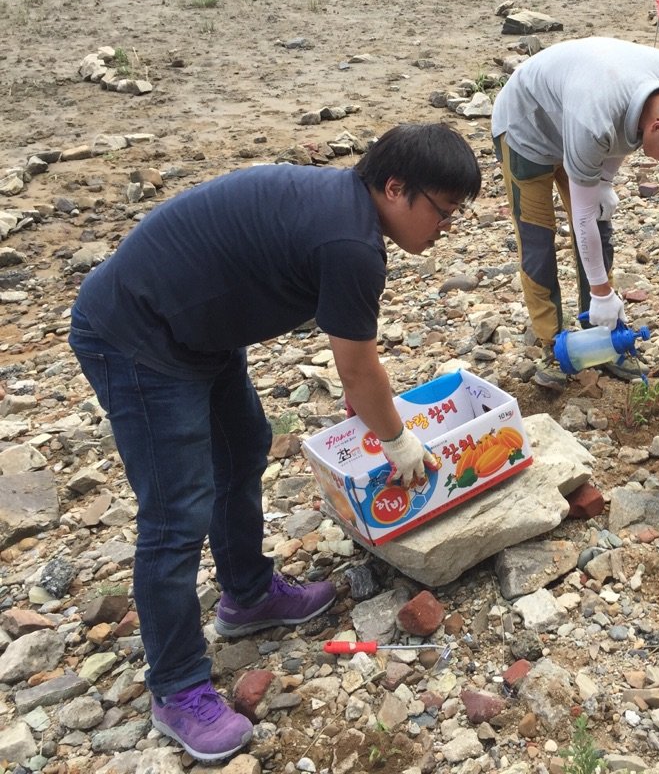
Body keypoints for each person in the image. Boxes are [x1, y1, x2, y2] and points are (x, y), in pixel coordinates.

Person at [68, 123, 481, 763]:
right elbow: (358, 370)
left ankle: (249, 594)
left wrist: (369, 405)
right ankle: (176, 687)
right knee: (176, 513)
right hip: (137, 336)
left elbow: (353, 358)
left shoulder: (343, 209)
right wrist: (399, 444)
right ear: (395, 187)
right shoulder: (351, 243)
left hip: (195, 330)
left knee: (245, 446)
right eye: (443, 211)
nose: (446, 227)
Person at [491, 36, 659, 390]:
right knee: (539, 240)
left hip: (576, 117)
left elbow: (624, 133)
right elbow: (582, 216)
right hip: (529, 130)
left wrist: (605, 180)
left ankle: (603, 340)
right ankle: (553, 346)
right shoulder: (594, 121)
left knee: (599, 234)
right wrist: (603, 294)